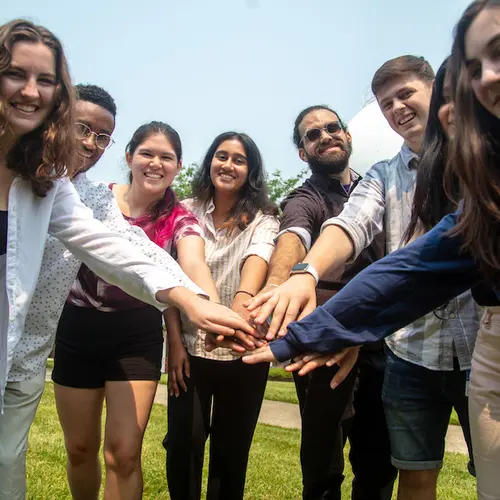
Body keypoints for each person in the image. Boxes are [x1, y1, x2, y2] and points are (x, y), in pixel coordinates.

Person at [245, 1, 500, 496]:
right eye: (385, 103)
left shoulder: (479, 164)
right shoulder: (379, 177)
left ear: (444, 92)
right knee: (412, 473)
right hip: (410, 346)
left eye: (407, 94)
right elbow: (349, 230)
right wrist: (302, 275)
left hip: (479, 338)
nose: (397, 108)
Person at [0, 20, 254, 500]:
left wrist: (195, 300)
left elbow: (119, 248)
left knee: (14, 469)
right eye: (15, 74)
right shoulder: (82, 188)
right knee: (77, 449)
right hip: (67, 336)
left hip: (38, 357)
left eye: (46, 81)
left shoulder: (55, 189)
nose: (30, 92)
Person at [52, 118, 219, 500]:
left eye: (167, 157)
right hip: (77, 329)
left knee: (123, 455)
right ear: (129, 156)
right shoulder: (93, 197)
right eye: (146, 153)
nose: (155, 163)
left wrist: (209, 307)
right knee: (79, 448)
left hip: (136, 336)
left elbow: (193, 265)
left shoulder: (181, 220)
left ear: (178, 166)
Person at [249, 104, 393, 500]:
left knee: (379, 462)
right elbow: (292, 235)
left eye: (332, 128)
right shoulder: (305, 197)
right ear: (303, 152)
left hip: (383, 338)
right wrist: (279, 284)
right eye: (312, 134)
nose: (325, 135)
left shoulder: (379, 189)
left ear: (348, 136)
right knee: (322, 462)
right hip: (324, 341)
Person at [164, 132, 279, 500]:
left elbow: (256, 259)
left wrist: (237, 310)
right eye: (221, 156)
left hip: (243, 347)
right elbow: (167, 276)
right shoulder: (183, 210)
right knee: (184, 443)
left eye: (239, 160)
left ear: (251, 170)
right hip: (190, 348)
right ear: (210, 161)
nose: (228, 165)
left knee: (231, 451)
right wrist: (174, 342)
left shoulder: (264, 217)